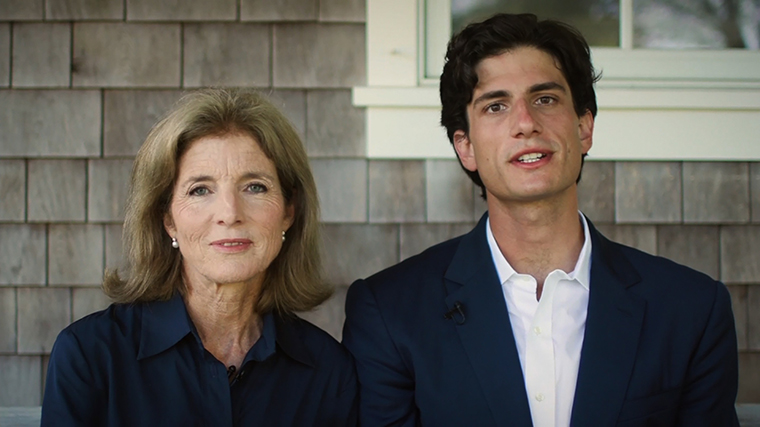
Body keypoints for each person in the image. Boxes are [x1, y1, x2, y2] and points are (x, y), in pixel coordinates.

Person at [342, 13, 739, 427]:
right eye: (496, 105)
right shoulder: (390, 312)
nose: (526, 123)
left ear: (584, 127)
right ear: (466, 147)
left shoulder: (690, 309)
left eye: (545, 99)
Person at [42, 88, 358, 426]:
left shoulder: (328, 371)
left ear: (289, 211)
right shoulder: (90, 355)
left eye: (254, 186)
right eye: (200, 190)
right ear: (167, 219)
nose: (229, 213)